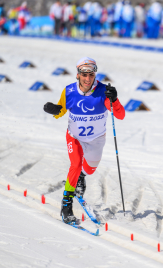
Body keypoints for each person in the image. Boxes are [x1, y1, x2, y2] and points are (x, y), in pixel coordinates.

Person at [42, 57, 125, 224]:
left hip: (96, 139)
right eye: (84, 74)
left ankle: (81, 177)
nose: (88, 79)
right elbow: (61, 111)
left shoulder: (103, 91)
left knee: (90, 169)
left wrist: (114, 100)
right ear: (78, 75)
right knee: (76, 164)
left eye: (91, 75)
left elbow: (120, 115)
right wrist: (53, 109)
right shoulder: (69, 91)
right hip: (75, 137)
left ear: (95, 75)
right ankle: (66, 206)